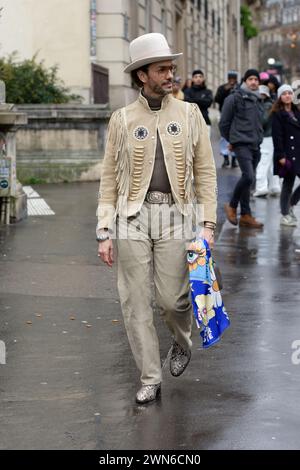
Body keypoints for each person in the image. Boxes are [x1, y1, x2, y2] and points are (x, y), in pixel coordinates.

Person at [96, 33, 217, 404]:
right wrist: (104, 229)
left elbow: (206, 171)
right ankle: (150, 377)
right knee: (134, 301)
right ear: (142, 76)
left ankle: (181, 343)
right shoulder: (122, 119)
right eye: (162, 69)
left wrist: (208, 225)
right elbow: (109, 178)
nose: (170, 75)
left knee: (173, 300)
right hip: (131, 216)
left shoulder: (189, 114)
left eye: (171, 68)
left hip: (176, 215)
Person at [219, 68, 264, 228]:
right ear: (245, 81)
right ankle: (232, 205)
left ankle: (246, 215)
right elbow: (224, 123)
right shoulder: (234, 98)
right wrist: (231, 140)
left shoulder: (258, 99)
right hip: (241, 143)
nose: (254, 82)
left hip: (255, 144)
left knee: (248, 181)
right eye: (251, 79)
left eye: (256, 80)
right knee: (248, 176)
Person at [272, 84, 300, 226]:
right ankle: (285, 214)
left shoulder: (297, 112)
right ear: (280, 97)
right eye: (284, 93)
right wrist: (281, 156)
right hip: (287, 154)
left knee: (289, 184)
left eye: (290, 93)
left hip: (298, 153)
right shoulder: (277, 115)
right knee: (288, 184)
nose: (288, 95)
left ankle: (291, 204)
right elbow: (277, 137)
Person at [254, 85, 281, 197]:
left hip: (266, 137)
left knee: (263, 162)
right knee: (270, 163)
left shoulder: (265, 105)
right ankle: (274, 187)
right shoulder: (271, 104)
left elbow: (263, 121)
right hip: (271, 137)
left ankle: (261, 187)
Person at [215, 70, 239, 168]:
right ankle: (225, 158)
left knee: (236, 137)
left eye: (234, 79)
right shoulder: (222, 87)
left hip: (236, 116)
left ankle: (234, 159)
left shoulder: (239, 88)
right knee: (224, 137)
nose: (232, 81)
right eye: (230, 79)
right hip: (224, 115)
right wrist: (225, 90)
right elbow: (216, 99)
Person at [184, 69, 213, 135]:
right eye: (196, 77)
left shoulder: (208, 92)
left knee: (206, 144)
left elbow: (208, 103)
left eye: (200, 77)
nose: (198, 79)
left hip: (205, 121)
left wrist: (194, 100)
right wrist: (201, 100)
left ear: (203, 79)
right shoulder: (187, 91)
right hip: (191, 122)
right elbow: (187, 103)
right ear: (192, 79)